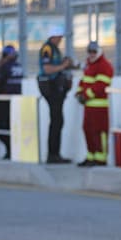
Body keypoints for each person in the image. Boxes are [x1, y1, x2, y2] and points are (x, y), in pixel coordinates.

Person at [37, 26, 74, 164]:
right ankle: (53, 155)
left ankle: (55, 153)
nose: (61, 40)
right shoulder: (47, 49)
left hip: (57, 86)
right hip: (50, 86)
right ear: (54, 36)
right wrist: (63, 66)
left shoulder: (55, 49)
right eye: (59, 37)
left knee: (58, 120)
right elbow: (47, 69)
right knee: (56, 119)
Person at [75, 40, 113, 166]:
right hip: (88, 106)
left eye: (94, 52)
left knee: (99, 132)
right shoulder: (89, 65)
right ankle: (91, 156)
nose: (91, 54)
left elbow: (101, 85)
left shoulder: (104, 65)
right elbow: (83, 81)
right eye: (89, 52)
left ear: (99, 51)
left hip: (99, 107)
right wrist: (79, 93)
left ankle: (101, 159)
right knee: (87, 130)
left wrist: (85, 95)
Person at [0, 45, 23, 159]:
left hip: (5, 100)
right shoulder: (18, 66)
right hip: (17, 101)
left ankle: (10, 150)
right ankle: (12, 150)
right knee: (11, 127)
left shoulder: (4, 66)